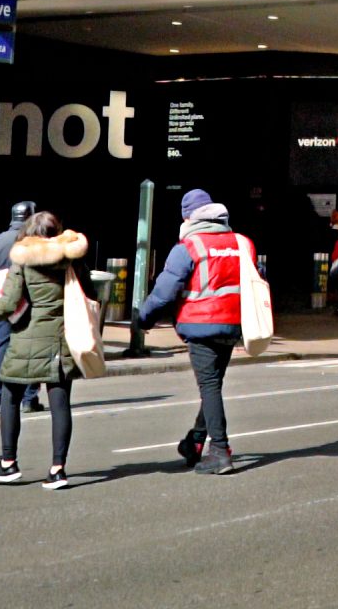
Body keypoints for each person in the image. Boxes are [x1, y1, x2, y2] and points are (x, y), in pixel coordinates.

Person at [134, 189, 254, 474]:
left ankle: (220, 451)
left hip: (200, 325)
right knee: (212, 384)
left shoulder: (188, 247)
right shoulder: (242, 243)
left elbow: (164, 292)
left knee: (209, 386)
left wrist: (143, 318)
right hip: (233, 324)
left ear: (187, 217)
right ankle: (196, 441)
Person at [0, 212, 90, 490]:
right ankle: (58, 469)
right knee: (60, 404)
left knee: (9, 397)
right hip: (61, 338)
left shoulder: (23, 260)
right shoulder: (73, 260)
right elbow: (88, 292)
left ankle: (8, 463)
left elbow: (8, 303)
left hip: (26, 338)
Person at [0, 202, 42, 414]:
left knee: (0, 349)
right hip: (28, 305)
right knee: (32, 352)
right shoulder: (35, 244)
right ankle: (29, 398)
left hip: (1, 305)